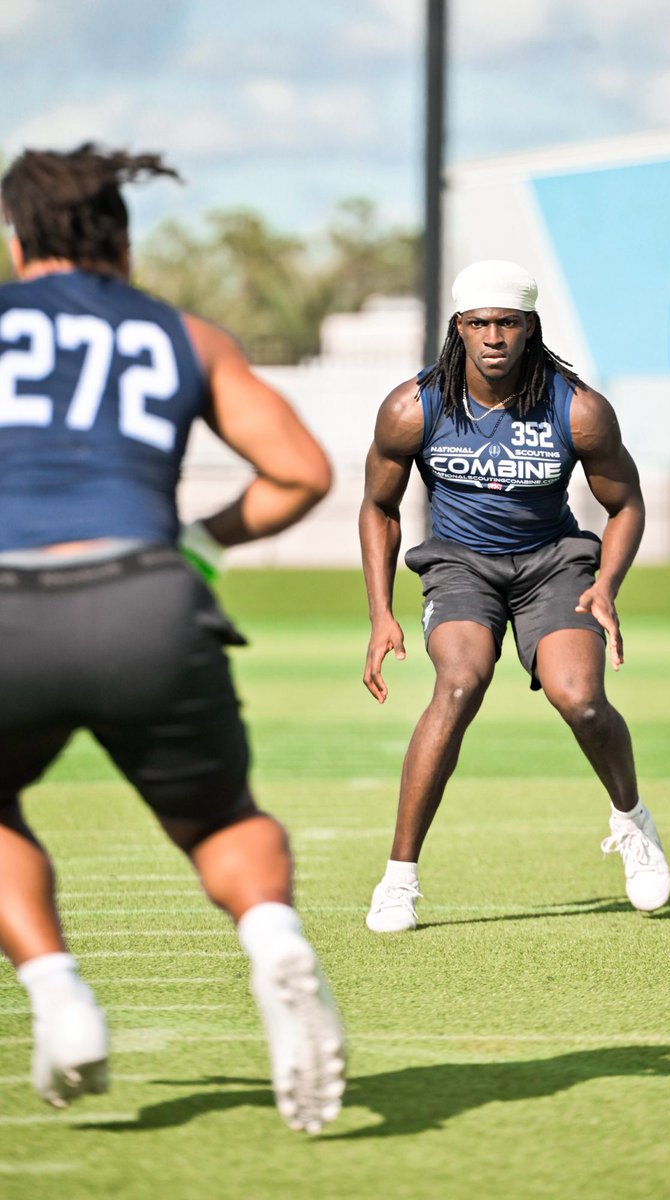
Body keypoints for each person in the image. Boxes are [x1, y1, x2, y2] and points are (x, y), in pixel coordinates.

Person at [0, 144, 345, 1133]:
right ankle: (274, 937)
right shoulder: (182, 335)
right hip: (150, 598)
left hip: (6, 605)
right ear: (122, 238)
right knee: (224, 819)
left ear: (19, 239)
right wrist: (198, 543)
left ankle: (58, 993)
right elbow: (301, 473)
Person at [360, 258, 670, 933]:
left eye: (507, 323)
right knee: (459, 685)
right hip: (459, 566)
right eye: (479, 324)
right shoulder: (413, 407)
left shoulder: (578, 408)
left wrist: (608, 588)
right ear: (459, 328)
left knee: (581, 700)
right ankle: (398, 880)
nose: (493, 336)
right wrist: (381, 613)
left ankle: (632, 821)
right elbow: (379, 508)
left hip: (553, 565)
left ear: (529, 328)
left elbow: (626, 505)